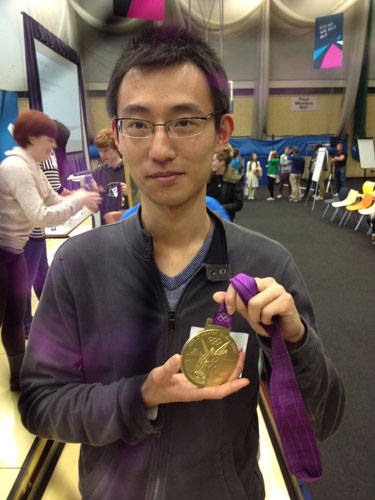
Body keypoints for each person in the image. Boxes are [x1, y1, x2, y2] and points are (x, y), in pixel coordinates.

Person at [19, 26, 344, 500]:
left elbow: (325, 420)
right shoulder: (79, 265)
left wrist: (294, 342)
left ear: (221, 133)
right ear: (118, 132)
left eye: (184, 122)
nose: (160, 149)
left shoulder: (265, 264)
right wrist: (139, 396)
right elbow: (40, 402)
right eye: (138, 124)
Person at [0, 109, 101, 391]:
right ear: (32, 139)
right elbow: (41, 215)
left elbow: (54, 199)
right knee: (4, 316)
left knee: (14, 317)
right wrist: (79, 200)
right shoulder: (16, 168)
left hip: (14, 252)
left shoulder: (32, 165)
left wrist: (81, 198)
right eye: (50, 140)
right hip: (3, 252)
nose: (54, 147)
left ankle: (18, 377)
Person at [23, 120, 73, 338]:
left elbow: (57, 189)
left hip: (29, 227)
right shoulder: (48, 156)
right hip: (26, 229)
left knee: (41, 274)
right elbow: (54, 194)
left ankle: (48, 318)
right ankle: (26, 323)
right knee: (27, 278)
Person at [92, 128, 128, 224]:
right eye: (100, 151)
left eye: (106, 150)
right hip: (106, 226)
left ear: (116, 148)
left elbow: (143, 203)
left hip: (127, 224)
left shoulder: (130, 170)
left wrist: (132, 192)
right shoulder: (97, 173)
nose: (102, 155)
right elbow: (95, 209)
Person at [207, 147, 243, 221]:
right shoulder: (207, 177)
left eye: (213, 161)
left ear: (222, 162)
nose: (211, 163)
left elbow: (238, 204)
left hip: (224, 221)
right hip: (207, 219)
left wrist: (219, 208)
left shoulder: (233, 179)